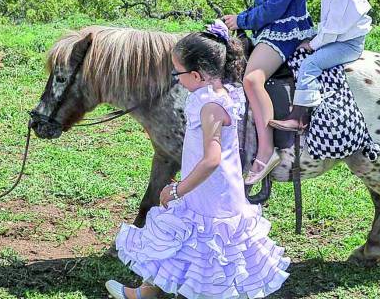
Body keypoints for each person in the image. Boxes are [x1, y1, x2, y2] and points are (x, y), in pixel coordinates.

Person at [105, 20, 290, 299]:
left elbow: (211, 159)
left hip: (212, 195)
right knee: (178, 238)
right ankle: (146, 292)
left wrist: (178, 188)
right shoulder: (216, 92)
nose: (176, 78)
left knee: (206, 251)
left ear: (199, 74)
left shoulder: (210, 106)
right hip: (203, 188)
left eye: (178, 72)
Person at [223, 0, 314, 185]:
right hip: (268, 30)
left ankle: (266, 149)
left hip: (282, 33)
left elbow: (273, 11)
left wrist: (241, 19)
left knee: (252, 79)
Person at [268, 0, 372, 132]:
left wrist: (312, 44)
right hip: (339, 36)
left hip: (347, 44)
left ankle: (299, 117)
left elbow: (331, 32)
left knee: (310, 63)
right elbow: (329, 24)